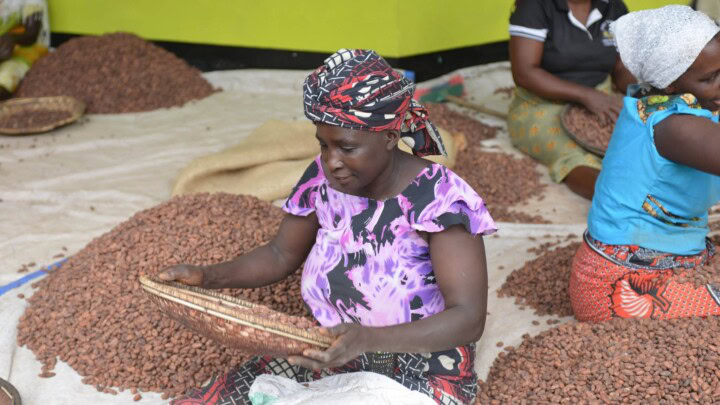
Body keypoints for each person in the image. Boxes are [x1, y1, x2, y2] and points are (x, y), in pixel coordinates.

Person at [159, 49, 497, 405]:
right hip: (330, 354)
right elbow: (279, 254)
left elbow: (468, 317)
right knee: (223, 396)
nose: (331, 161)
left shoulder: (439, 198)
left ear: (388, 136)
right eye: (323, 144)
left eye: (347, 148)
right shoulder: (322, 181)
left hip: (421, 370)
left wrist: (367, 340)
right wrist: (207, 278)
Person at [569, 6, 720, 322]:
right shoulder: (674, 126)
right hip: (621, 287)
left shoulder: (658, 101)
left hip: (666, 262)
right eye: (711, 78)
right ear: (670, 83)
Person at [507, 0, 635, 199]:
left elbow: (620, 68)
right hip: (541, 104)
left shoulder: (613, 7)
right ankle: (618, 200)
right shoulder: (535, 6)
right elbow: (525, 73)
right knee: (573, 155)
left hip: (602, 97)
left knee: (634, 142)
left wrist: (643, 96)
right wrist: (587, 95)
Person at [0, 0, 49, 100]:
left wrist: (11, 39)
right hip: (4, 49)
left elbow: (32, 34)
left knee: (7, 77)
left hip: (26, 49)